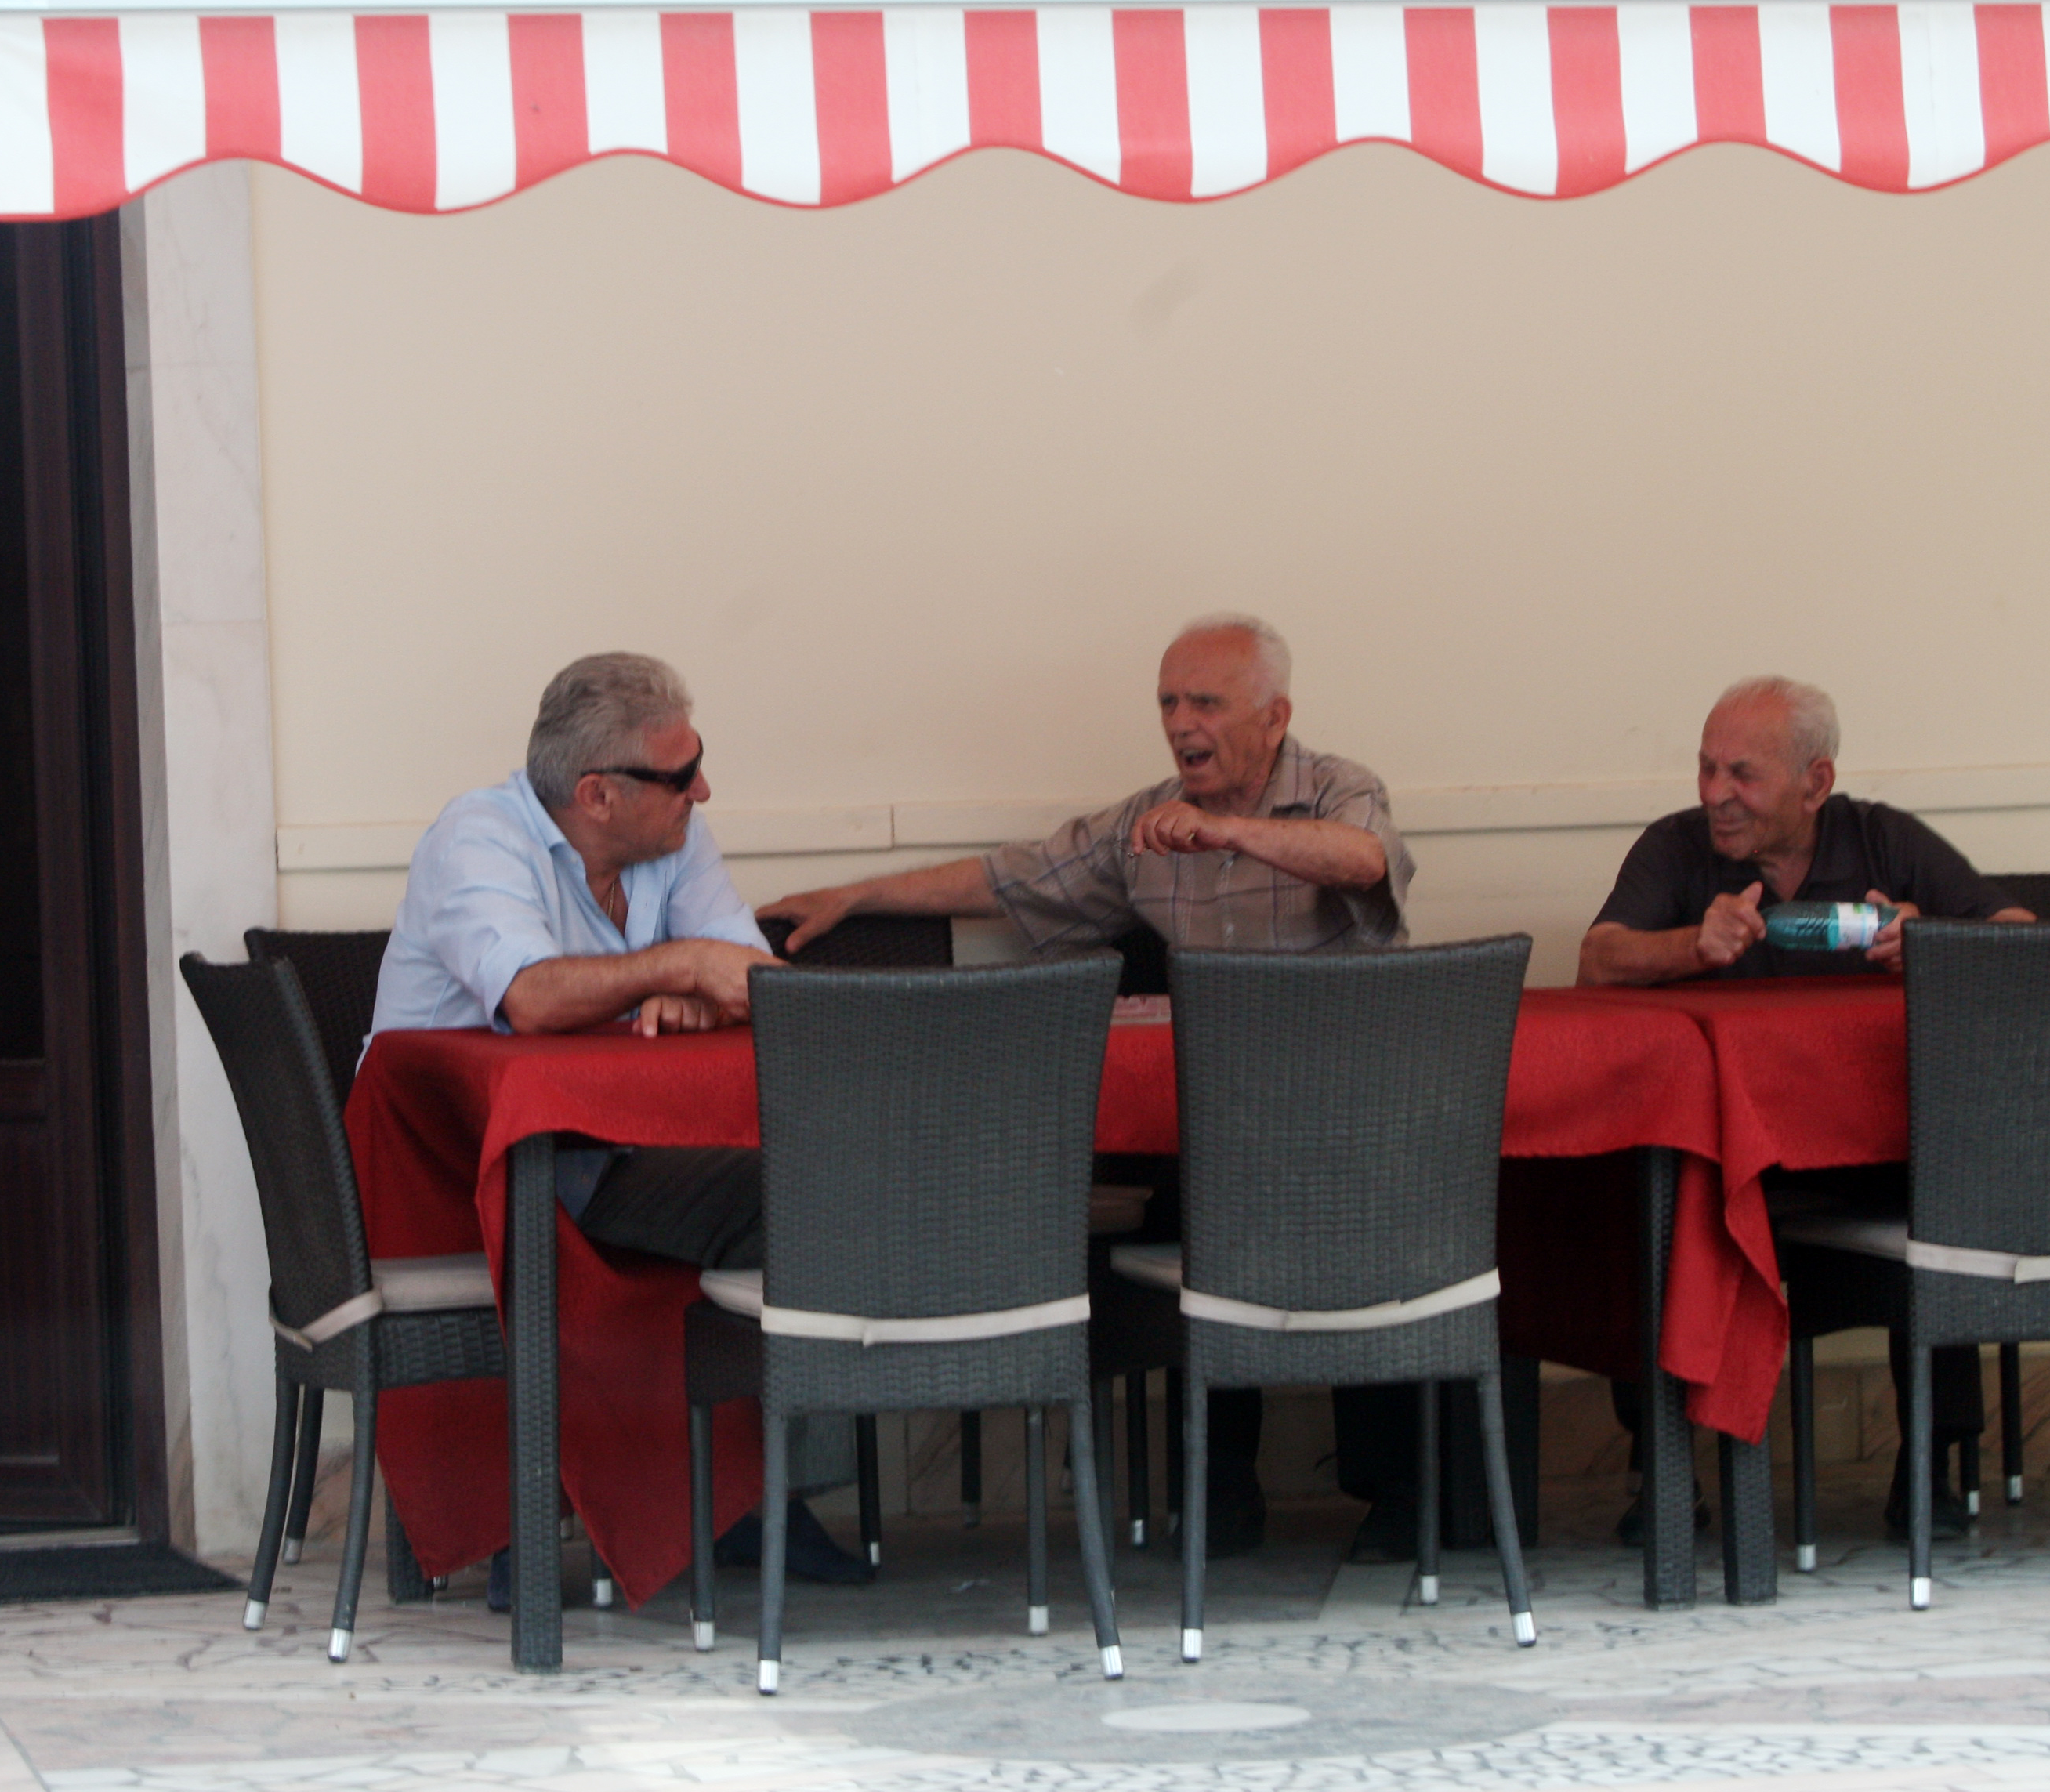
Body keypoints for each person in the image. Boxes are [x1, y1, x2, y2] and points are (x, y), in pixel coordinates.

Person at [761, 614, 1412, 1558]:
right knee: (1181, 1201)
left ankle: (1399, 1497)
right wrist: (859, 896)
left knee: (1369, 1219)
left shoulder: (1340, 788)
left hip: (1354, 1111)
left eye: (1204, 703)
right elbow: (1011, 878)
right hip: (1221, 1122)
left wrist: (1228, 832)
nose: (1180, 723)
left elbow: (1366, 862)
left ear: (1274, 717)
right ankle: (1215, 1494)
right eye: (1167, 703)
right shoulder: (1143, 824)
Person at [368, 652, 868, 1594]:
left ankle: (749, 1498)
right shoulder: (476, 837)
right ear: (597, 794)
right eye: (681, 776)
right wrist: (676, 969)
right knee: (775, 1196)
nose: (702, 789)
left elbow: (756, 982)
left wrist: (702, 992)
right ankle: (684, 1506)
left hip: (616, 1150)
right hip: (460, 1166)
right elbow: (532, 997)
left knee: (813, 1179)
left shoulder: (672, 836)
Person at [1579, 674, 2036, 1540]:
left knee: (1946, 1192)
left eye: (1742, 774)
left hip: (1872, 1153)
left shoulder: (1882, 838)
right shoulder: (1676, 847)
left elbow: (2021, 933)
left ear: (1816, 783)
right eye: (1707, 769)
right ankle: (1663, 1475)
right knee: (1639, 1203)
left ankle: (1930, 1458)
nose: (1716, 794)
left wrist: (1933, 940)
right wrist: (1691, 944)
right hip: (1718, 1154)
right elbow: (1597, 958)